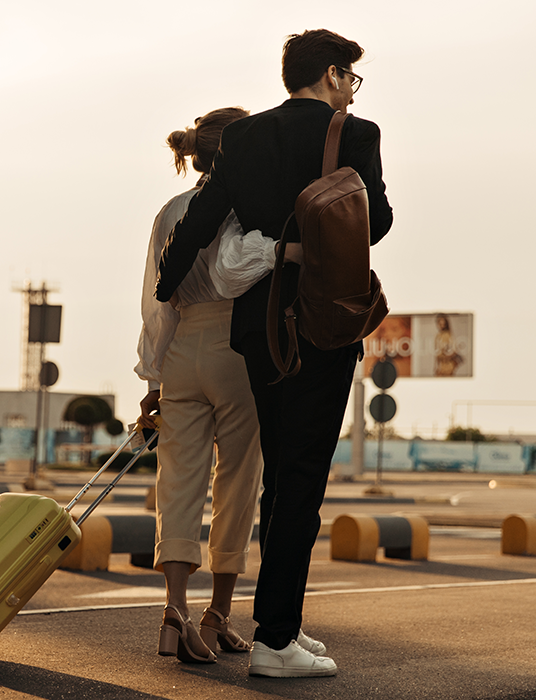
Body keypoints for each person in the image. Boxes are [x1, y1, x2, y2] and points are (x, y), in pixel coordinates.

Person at [155, 29, 393, 678]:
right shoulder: (356, 134)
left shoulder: (248, 138)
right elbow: (376, 222)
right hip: (319, 323)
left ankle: (280, 627)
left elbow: (204, 217)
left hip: (257, 329)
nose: (352, 90)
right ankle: (275, 638)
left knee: (281, 474)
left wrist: (168, 280)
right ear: (334, 75)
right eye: (350, 78)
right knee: (301, 480)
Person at [135, 106, 266, 664]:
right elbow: (240, 270)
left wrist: (153, 377)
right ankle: (217, 616)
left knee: (178, 483)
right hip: (236, 346)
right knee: (238, 483)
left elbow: (155, 303)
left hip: (182, 346)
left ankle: (174, 610)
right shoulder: (247, 203)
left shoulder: (170, 211)